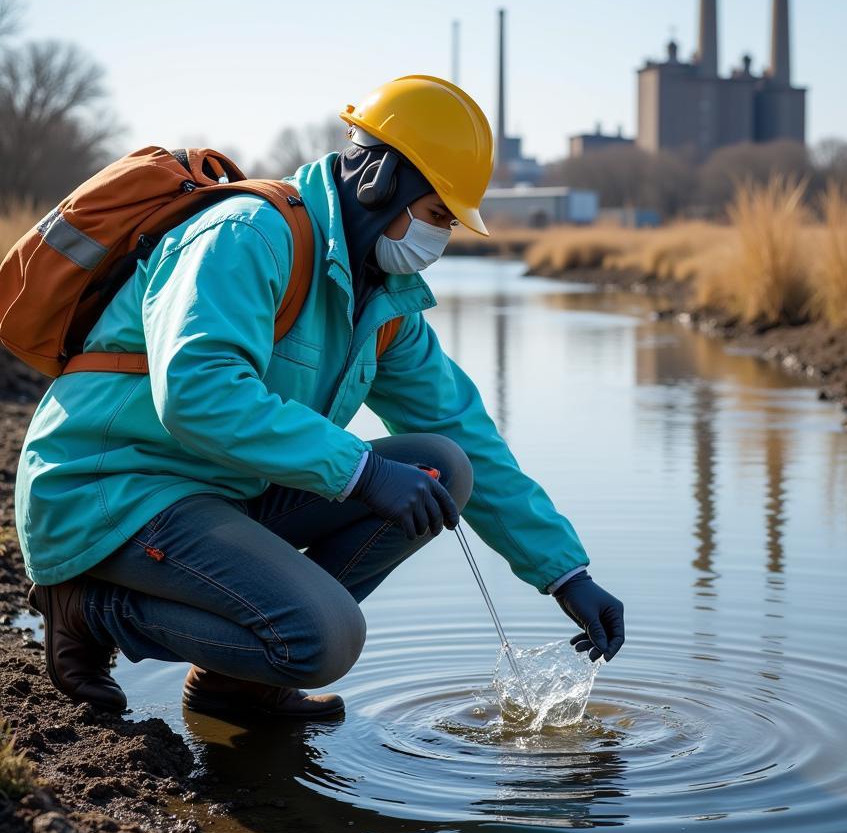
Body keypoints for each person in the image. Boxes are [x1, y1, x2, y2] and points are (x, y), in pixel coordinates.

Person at [15, 75, 626, 718]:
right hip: (112, 487)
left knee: (442, 467)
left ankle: (237, 685)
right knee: (326, 639)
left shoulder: (384, 305)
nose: (439, 240)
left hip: (222, 488)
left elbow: (465, 430)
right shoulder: (248, 236)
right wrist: (360, 472)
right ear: (381, 179)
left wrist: (565, 574)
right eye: (438, 214)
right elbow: (198, 392)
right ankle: (88, 610)